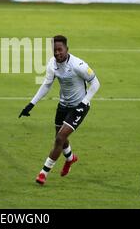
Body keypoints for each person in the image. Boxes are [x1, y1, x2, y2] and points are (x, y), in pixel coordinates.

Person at [19, 35, 100, 185]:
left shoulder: (78, 65)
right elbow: (47, 84)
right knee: (61, 139)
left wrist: (84, 102)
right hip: (63, 105)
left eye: (60, 49)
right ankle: (70, 159)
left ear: (66, 49)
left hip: (79, 107)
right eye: (54, 50)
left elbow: (95, 83)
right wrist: (31, 104)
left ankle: (43, 173)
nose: (57, 53)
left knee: (59, 139)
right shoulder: (52, 64)